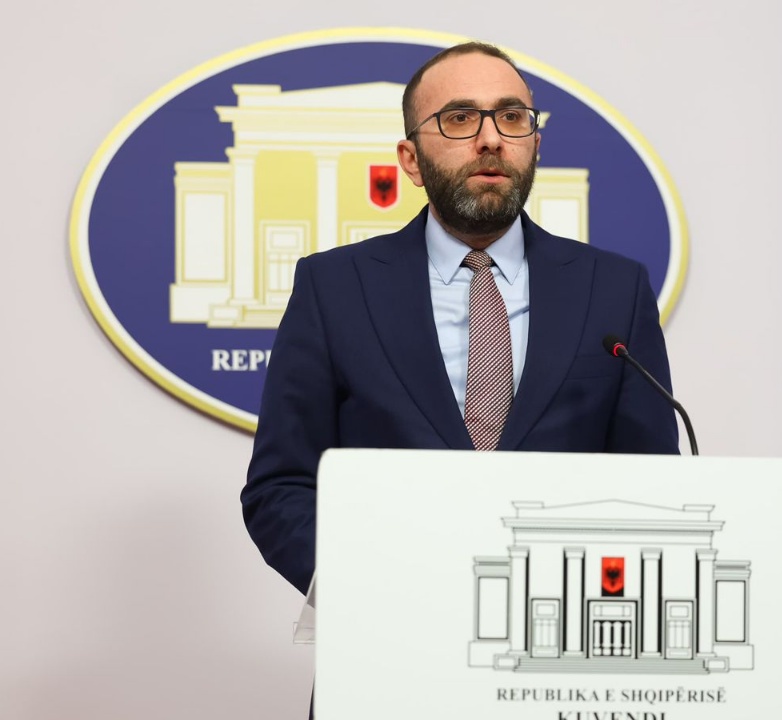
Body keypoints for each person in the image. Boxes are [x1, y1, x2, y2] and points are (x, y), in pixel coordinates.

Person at [241, 42, 679, 595]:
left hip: (559, 621)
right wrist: (368, 591)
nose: (491, 138)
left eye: (511, 117)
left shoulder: (614, 290)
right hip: (388, 622)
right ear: (410, 160)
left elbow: (652, 485)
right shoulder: (334, 288)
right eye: (460, 118)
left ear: (535, 146)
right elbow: (281, 488)